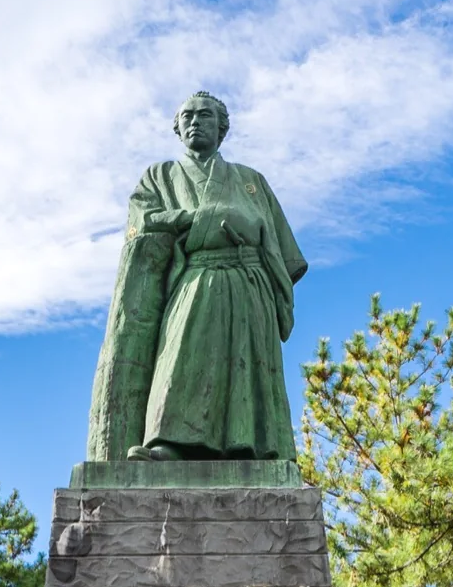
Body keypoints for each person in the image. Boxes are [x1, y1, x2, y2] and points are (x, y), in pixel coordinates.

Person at [86, 91, 307, 463]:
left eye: (204, 116)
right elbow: (143, 221)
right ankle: (169, 443)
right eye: (186, 116)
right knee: (181, 354)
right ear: (177, 128)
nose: (194, 121)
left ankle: (248, 445)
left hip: (248, 283)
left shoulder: (252, 181)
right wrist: (195, 219)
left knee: (245, 362)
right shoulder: (159, 176)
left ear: (222, 128)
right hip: (193, 277)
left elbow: (286, 256)